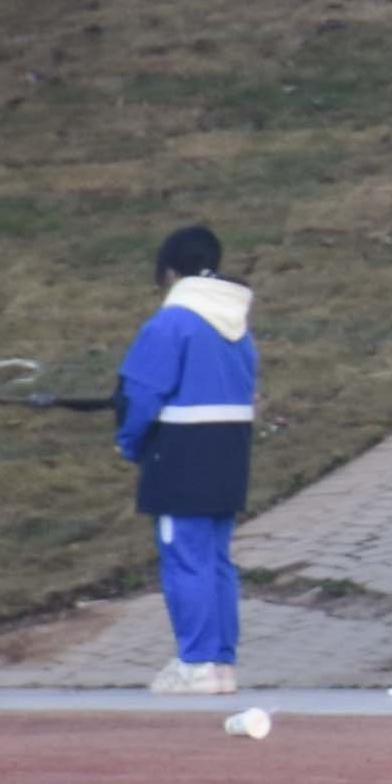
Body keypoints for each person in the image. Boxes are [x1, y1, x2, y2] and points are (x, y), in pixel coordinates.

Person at [117, 222, 257, 694]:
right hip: (230, 454)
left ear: (171, 272)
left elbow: (141, 394)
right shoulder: (238, 325)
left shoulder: (171, 322)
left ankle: (194, 662)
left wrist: (130, 443)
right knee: (216, 561)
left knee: (185, 559)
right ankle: (220, 663)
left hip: (180, 455)